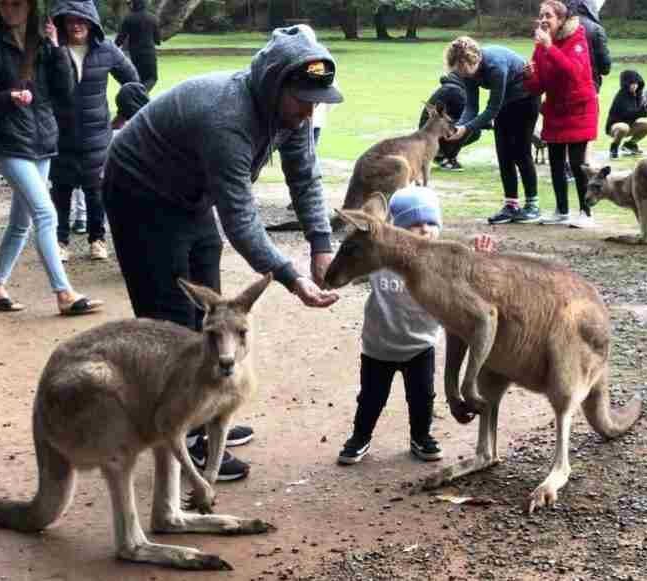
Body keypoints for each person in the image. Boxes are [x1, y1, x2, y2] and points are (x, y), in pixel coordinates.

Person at [102, 25, 342, 480]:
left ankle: (203, 415)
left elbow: (305, 177)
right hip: (141, 193)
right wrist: (292, 278)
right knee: (171, 320)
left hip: (189, 195)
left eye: (318, 100)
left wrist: (322, 246)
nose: (311, 111)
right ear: (275, 86)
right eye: (304, 99)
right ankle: (184, 437)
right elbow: (241, 220)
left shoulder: (288, 115)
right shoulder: (227, 118)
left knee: (211, 315)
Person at [337, 187, 495, 465]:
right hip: (378, 347)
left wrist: (481, 258)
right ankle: (359, 437)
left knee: (422, 398)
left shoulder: (444, 264)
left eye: (431, 223)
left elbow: (473, 286)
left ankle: (421, 437)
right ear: (398, 230)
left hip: (420, 346)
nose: (425, 230)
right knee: (371, 399)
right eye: (415, 224)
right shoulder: (380, 259)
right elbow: (350, 270)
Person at [0, 0, 104, 316]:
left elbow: (65, 91)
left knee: (21, 222)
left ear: (30, 8)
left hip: (43, 142)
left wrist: (58, 49)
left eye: (16, 4)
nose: (9, 9)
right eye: (4, 4)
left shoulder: (44, 46)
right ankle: (64, 293)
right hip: (10, 145)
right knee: (46, 213)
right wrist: (9, 97)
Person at [48, 0, 139, 263]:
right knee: (61, 190)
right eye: (70, 20)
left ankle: (97, 239)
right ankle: (60, 241)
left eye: (81, 20)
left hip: (97, 133)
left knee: (96, 190)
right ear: (62, 21)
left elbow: (133, 82)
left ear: (91, 21)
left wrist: (124, 114)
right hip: (59, 133)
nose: (76, 25)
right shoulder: (52, 48)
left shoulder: (107, 49)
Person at [443, 36, 540, 225]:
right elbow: (471, 105)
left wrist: (467, 129)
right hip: (505, 102)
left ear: (474, 60)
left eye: (463, 69)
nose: (462, 74)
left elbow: (492, 108)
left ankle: (532, 206)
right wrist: (459, 127)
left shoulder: (495, 66)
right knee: (503, 153)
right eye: (458, 71)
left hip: (525, 99)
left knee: (520, 152)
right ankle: (511, 205)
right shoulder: (468, 73)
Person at [522, 0, 599, 229]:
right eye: (541, 15)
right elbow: (538, 87)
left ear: (561, 20)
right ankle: (561, 210)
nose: (543, 20)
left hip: (579, 110)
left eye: (549, 16)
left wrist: (549, 48)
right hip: (555, 110)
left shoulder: (577, 40)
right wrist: (529, 75)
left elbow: (573, 73)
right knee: (555, 163)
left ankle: (586, 213)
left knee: (576, 164)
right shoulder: (541, 45)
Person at [418, 72, 481, 171]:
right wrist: (491, 122)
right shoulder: (456, 91)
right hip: (431, 136)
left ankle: (439, 154)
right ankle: (447, 158)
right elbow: (468, 118)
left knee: (470, 127)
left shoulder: (451, 87)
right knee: (473, 130)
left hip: (427, 134)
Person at [604, 69, 647, 159]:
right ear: (626, 84)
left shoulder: (637, 95)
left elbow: (640, 111)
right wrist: (644, 111)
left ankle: (630, 144)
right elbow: (629, 114)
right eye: (632, 83)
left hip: (629, 125)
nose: (634, 86)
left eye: (636, 83)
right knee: (623, 127)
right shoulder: (621, 96)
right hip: (615, 127)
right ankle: (614, 146)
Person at [114, 0, 160, 92]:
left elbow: (120, 38)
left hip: (135, 54)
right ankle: (141, 95)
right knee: (152, 78)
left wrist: (113, 47)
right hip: (149, 53)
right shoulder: (153, 18)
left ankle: (139, 96)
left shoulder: (128, 19)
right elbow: (157, 40)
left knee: (137, 78)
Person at [569, 0, 611, 93]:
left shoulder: (561, 24)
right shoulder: (596, 29)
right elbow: (605, 67)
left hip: (563, 86)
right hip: (588, 88)